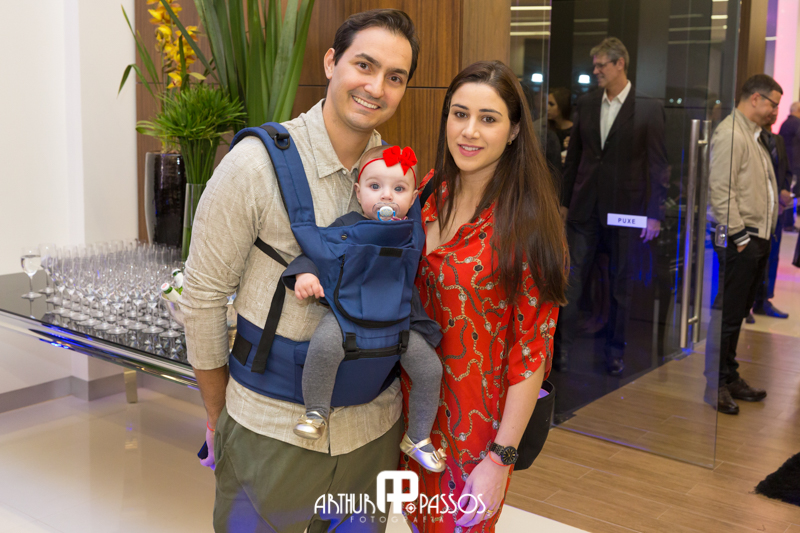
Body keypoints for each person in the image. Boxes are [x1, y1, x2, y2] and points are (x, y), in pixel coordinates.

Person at [180, 9, 420, 532]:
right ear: (331, 62)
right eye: (364, 65)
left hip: (373, 434)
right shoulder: (254, 165)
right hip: (270, 431)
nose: (376, 87)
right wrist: (219, 417)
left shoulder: (398, 177)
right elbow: (201, 298)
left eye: (395, 77)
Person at [402, 60, 567, 532]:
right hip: (409, 414)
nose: (469, 131)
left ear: (514, 131)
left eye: (488, 118)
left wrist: (500, 458)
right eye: (459, 114)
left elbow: (532, 354)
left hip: (476, 432)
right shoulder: (428, 191)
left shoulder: (528, 224)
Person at [281, 144, 445, 472]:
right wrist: (305, 274)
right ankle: (316, 411)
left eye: (399, 189)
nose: (386, 196)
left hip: (399, 322)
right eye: (375, 186)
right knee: (323, 346)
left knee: (430, 369)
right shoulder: (348, 226)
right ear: (358, 192)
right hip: (348, 318)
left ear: (413, 199)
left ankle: (417, 436)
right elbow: (317, 249)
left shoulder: (412, 232)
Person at [554, 37, 669, 375]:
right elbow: (574, 158)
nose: (595, 71)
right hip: (585, 206)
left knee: (621, 284)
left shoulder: (648, 108)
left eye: (601, 65)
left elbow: (658, 165)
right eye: (595, 65)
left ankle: (614, 353)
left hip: (627, 210)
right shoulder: (588, 103)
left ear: (620, 64)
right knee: (573, 280)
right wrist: (564, 203)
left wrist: (654, 214)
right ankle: (561, 350)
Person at [705, 74, 782, 415]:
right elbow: (721, 191)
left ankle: (729, 375)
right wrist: (740, 238)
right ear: (755, 98)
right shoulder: (731, 134)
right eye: (773, 104)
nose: (775, 111)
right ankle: (716, 384)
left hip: (754, 238)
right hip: (742, 238)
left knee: (737, 313)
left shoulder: (753, 135)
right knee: (728, 314)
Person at [752, 115, 793, 320]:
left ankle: (764, 300)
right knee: (753, 256)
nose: (774, 112)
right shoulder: (750, 139)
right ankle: (746, 304)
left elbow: (786, 170)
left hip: (777, 210)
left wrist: (784, 191)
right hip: (755, 208)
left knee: (773, 255)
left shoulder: (778, 140)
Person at [547, 87, 574, 157]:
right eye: (546, 103)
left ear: (562, 105)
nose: (547, 108)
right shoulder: (546, 128)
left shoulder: (575, 130)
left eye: (551, 104)